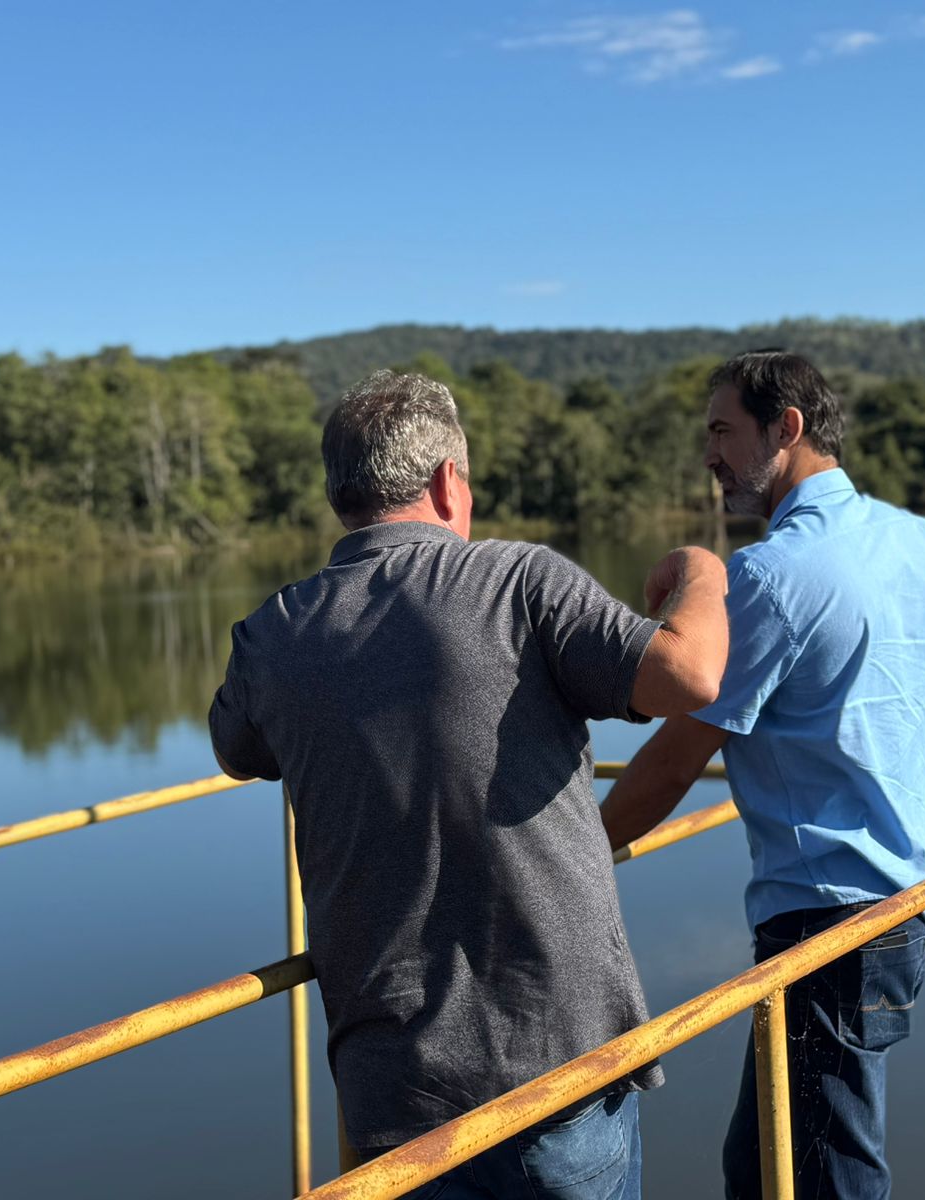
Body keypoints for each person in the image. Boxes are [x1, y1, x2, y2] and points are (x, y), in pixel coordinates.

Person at [209, 369, 729, 1199]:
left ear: (341, 494)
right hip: (558, 1065)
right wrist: (704, 573)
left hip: (393, 1087)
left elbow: (237, 752)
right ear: (450, 482)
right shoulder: (517, 581)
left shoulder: (270, 633)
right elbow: (691, 674)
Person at [599, 351, 925, 1200]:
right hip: (912, 910)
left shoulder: (767, 577)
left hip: (830, 930)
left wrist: (572, 852)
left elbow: (673, 763)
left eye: (722, 431)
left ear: (785, 428)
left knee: (823, 1178)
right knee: (766, 1168)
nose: (709, 455)